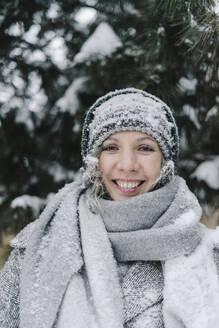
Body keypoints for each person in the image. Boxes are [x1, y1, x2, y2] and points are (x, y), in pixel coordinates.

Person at [1, 87, 219, 328]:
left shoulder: (208, 257)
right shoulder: (37, 248)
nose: (127, 165)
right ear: (95, 160)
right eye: (111, 147)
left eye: (145, 148)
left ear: (164, 162)